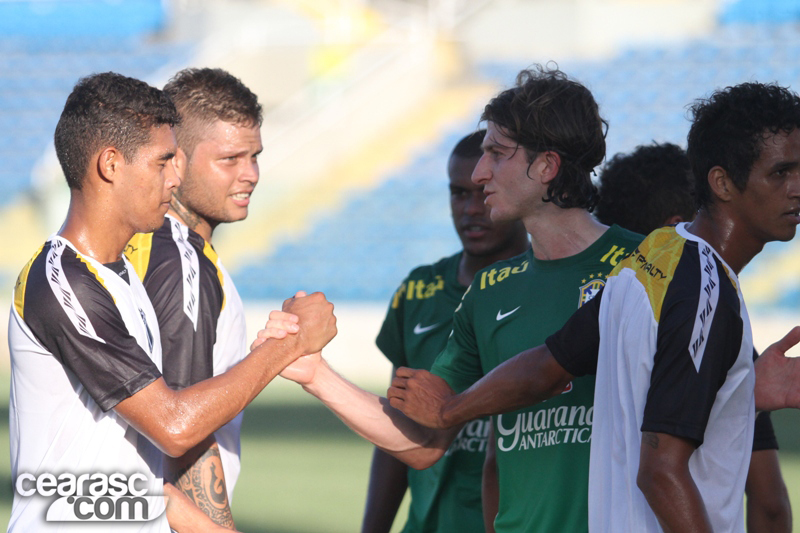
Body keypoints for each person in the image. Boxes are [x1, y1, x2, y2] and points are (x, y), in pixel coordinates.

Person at [387, 81, 800, 532]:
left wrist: (741, 394)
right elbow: (661, 472)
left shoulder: (651, 260)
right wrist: (448, 411)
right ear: (721, 182)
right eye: (781, 173)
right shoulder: (697, 280)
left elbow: (546, 367)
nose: (797, 188)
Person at [261, 65, 642, 532]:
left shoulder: (646, 265)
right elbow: (424, 441)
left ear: (546, 166)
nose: (481, 174)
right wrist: (313, 373)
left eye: (497, 155)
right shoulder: (490, 291)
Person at [8, 72, 337, 532]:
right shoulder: (65, 282)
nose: (175, 177)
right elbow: (177, 426)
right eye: (163, 162)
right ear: (110, 165)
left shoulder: (121, 275)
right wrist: (289, 344)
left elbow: (141, 484)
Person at [595, 142, 792, 532]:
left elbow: (499, 466)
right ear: (673, 228)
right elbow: (769, 503)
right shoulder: (711, 317)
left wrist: (454, 409)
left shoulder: (607, 307)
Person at [362, 130, 529, 533]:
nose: (471, 208)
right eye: (458, 194)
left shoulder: (545, 288)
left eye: (481, 191)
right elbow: (396, 426)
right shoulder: (418, 290)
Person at [125, 67, 262, 527]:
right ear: (177, 161)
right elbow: (185, 430)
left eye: (255, 156)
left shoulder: (148, 246)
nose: (251, 175)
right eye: (230, 159)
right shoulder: (181, 260)